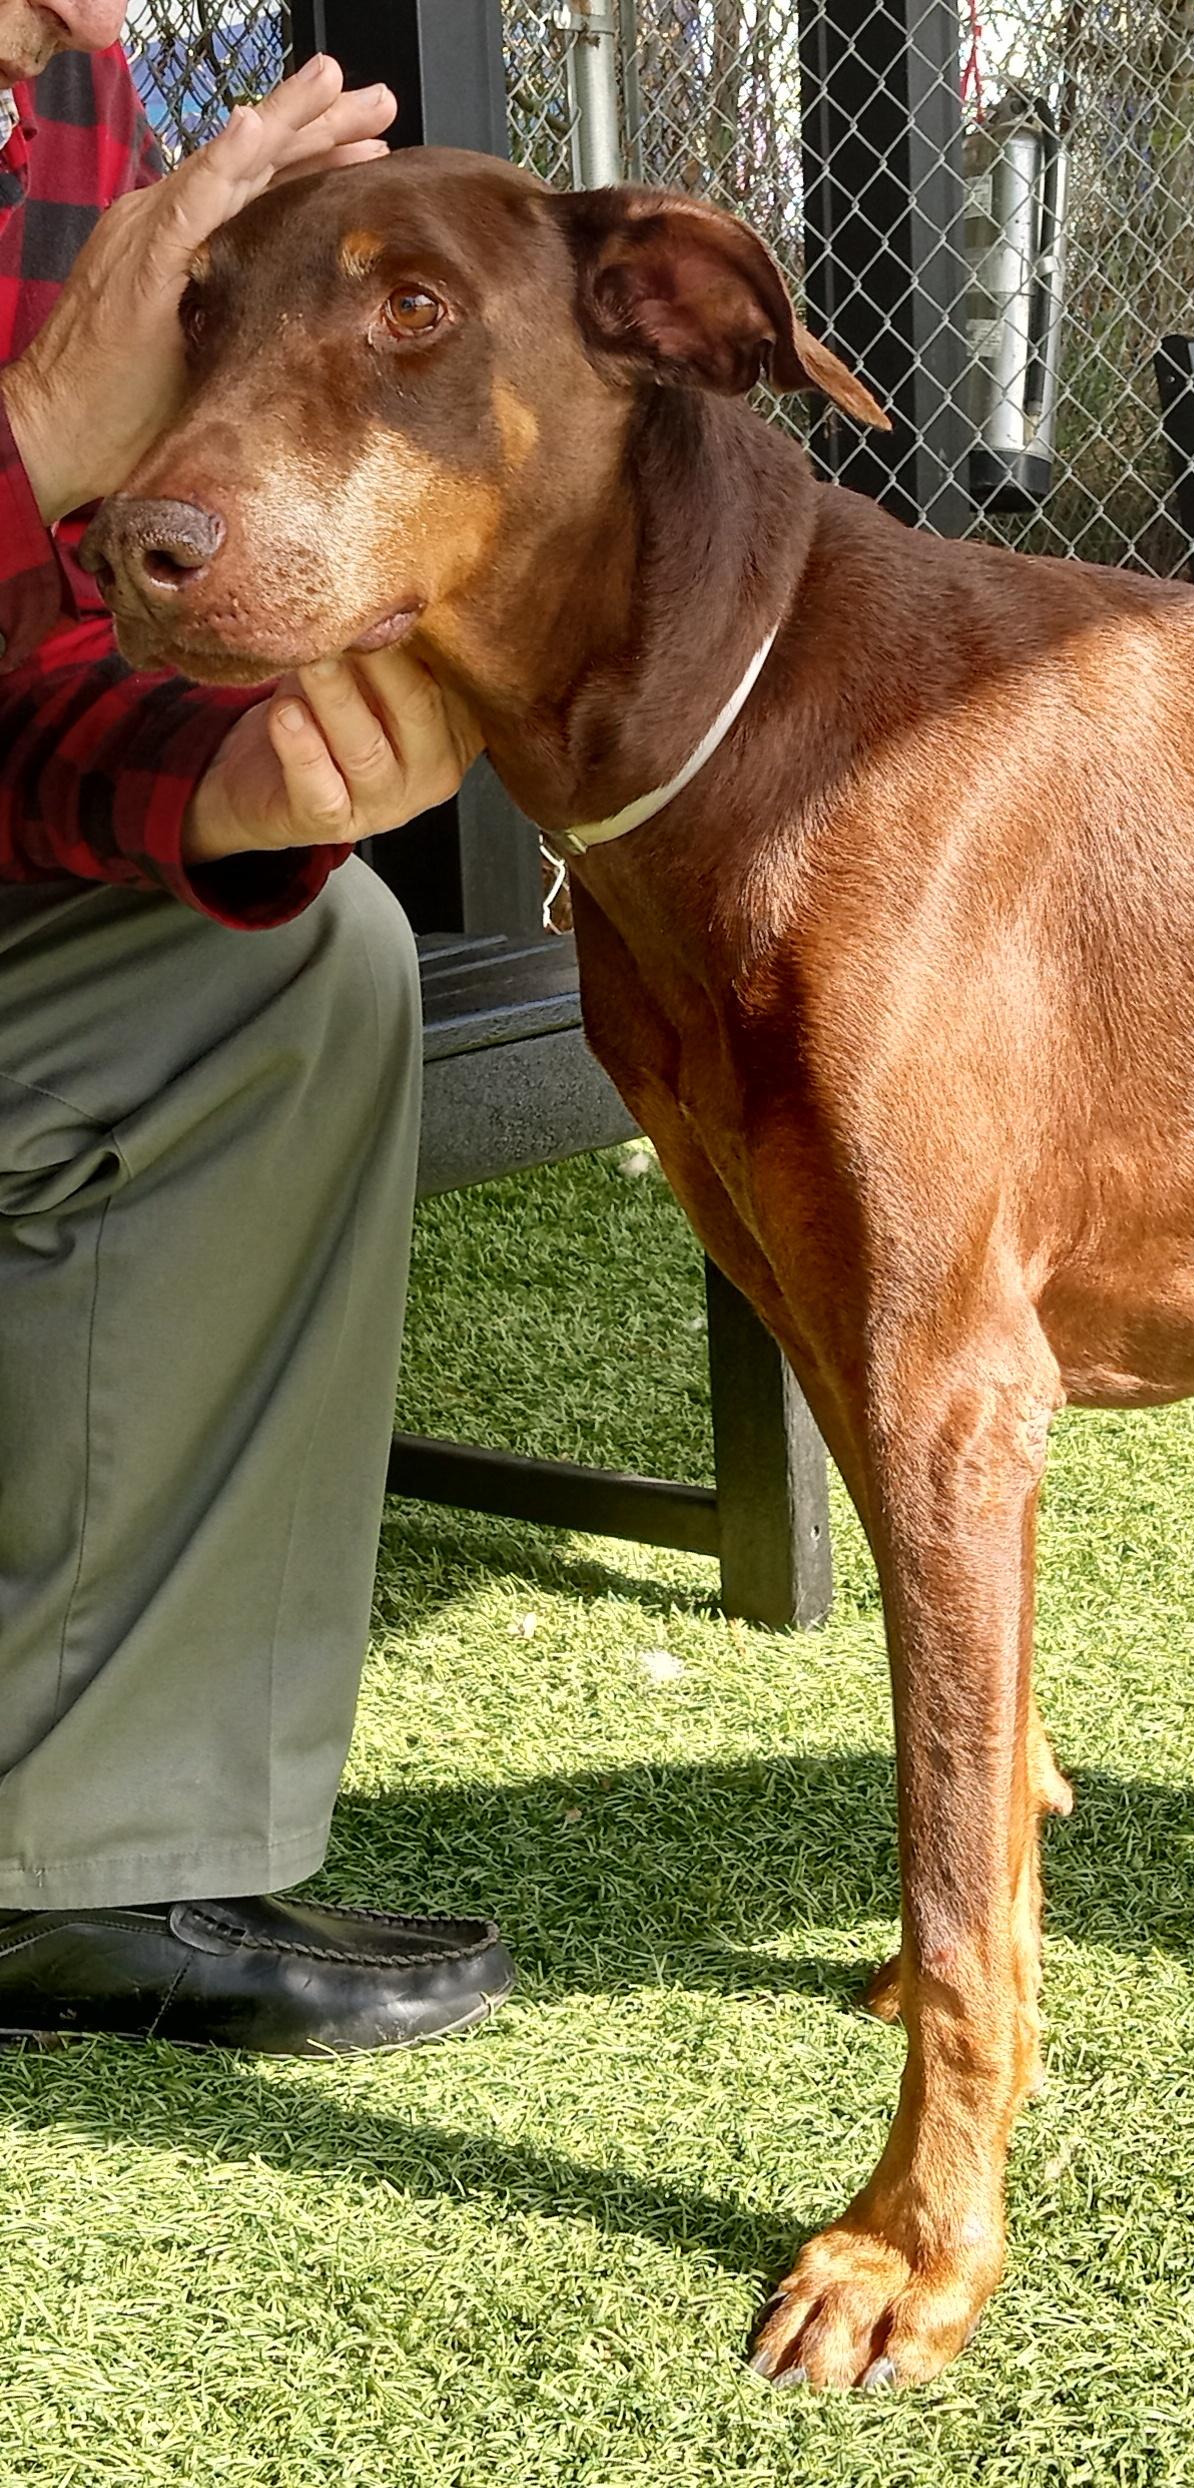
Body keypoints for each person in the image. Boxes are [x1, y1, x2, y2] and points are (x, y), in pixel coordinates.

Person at [0, 7, 514, 2052]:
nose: (99, 29)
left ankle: (87, 1863)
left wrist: (220, 788)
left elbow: (28, 670)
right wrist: (37, 430)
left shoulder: (67, 94)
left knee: (294, 964)